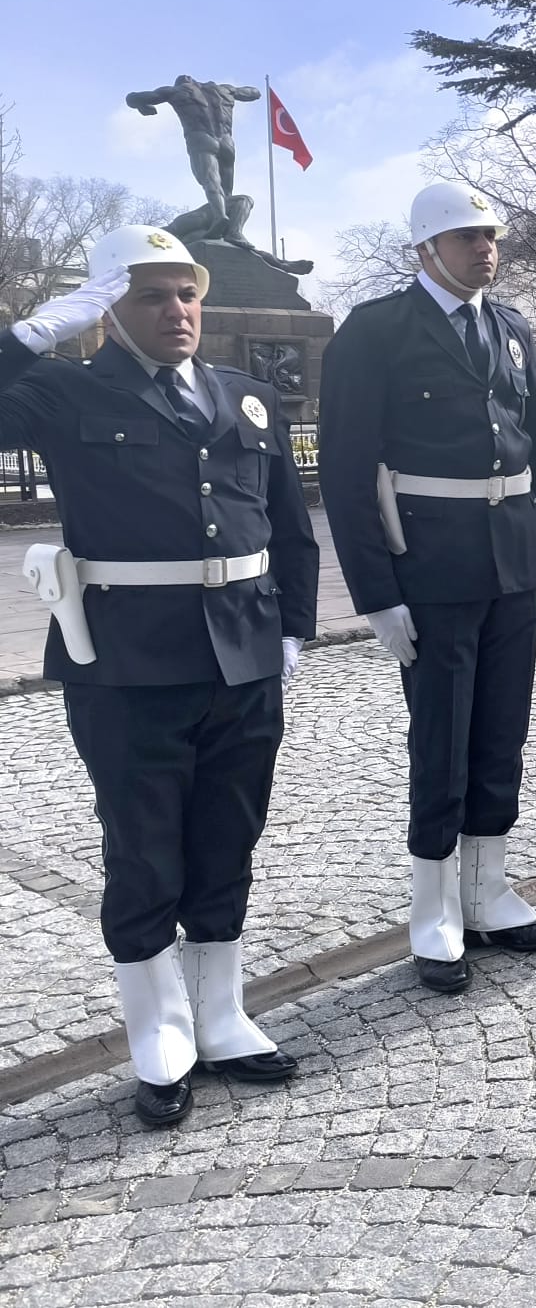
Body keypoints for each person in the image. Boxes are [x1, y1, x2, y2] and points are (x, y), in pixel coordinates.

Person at [2, 225, 317, 1126]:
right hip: (130, 662)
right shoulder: (61, 392)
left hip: (245, 653)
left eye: (187, 293)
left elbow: (290, 527)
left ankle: (221, 1013)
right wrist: (30, 335)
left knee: (229, 833)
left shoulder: (247, 399)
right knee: (143, 846)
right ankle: (160, 1027)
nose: (177, 311)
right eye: (150, 295)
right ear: (109, 306)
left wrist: (293, 628)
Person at [320, 183, 536, 997]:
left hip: (512, 559)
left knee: (502, 732)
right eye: (466, 237)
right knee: (441, 738)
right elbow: (347, 467)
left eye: (490, 235)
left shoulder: (511, 329)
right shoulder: (377, 330)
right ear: (424, 249)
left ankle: (488, 889)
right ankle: (433, 909)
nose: (484, 248)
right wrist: (376, 593)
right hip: (430, 566)